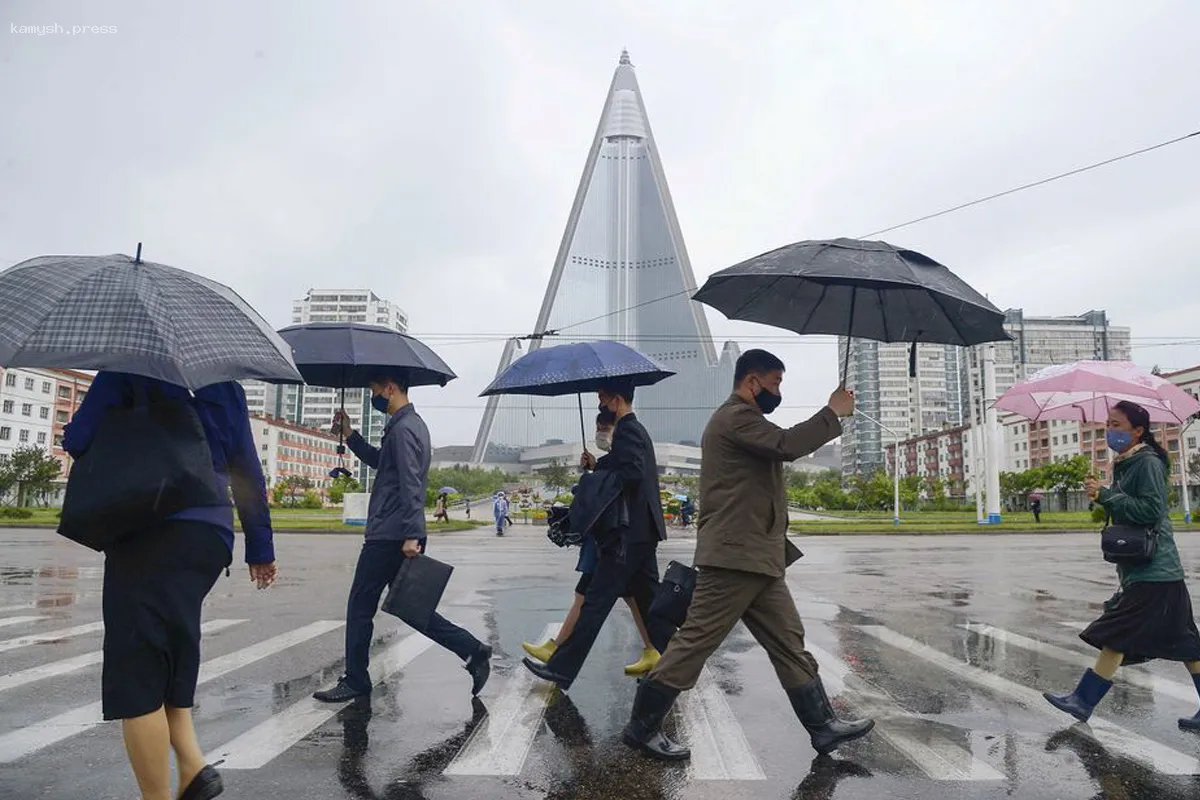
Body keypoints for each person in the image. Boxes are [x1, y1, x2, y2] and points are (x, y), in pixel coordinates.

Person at [621, 349, 872, 761]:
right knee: (694, 644)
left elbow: (777, 448)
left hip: (758, 557)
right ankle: (642, 727)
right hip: (736, 558)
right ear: (752, 381)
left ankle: (823, 727)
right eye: (775, 382)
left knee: (789, 643)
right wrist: (832, 412)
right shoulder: (734, 418)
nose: (778, 391)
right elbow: (787, 444)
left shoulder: (748, 420)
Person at [63, 372, 278, 800]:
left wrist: (79, 423)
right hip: (210, 534)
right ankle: (193, 766)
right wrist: (260, 546)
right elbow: (246, 468)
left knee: (138, 672)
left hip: (152, 524)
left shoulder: (125, 369)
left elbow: (80, 439)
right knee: (169, 650)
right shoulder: (226, 385)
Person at [314, 371, 492, 704]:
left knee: (360, 605)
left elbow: (411, 482)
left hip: (390, 534)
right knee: (412, 608)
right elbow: (383, 463)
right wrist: (350, 434)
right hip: (396, 531)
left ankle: (356, 680)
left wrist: (413, 533)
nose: (374, 397)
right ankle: (472, 650)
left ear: (390, 388)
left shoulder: (404, 428)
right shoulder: (407, 426)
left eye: (375, 391)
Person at [1043, 400, 1200, 727]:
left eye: (1116, 425)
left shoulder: (1146, 463)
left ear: (1138, 430)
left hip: (1155, 569)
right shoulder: (1127, 462)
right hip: (1150, 569)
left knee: (1118, 631)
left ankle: (1082, 701)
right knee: (1184, 642)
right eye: (1108, 425)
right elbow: (1127, 509)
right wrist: (1101, 497)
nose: (1109, 431)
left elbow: (1149, 511)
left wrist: (1108, 495)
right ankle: (1081, 701)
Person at [523, 379, 675, 690]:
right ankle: (676, 662)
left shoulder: (629, 429)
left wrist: (597, 478)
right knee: (649, 603)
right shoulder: (634, 429)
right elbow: (627, 465)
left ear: (617, 400)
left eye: (603, 398)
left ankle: (562, 669)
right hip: (642, 532)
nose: (600, 404)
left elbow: (631, 473)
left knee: (596, 600)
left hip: (630, 533)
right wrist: (598, 464)